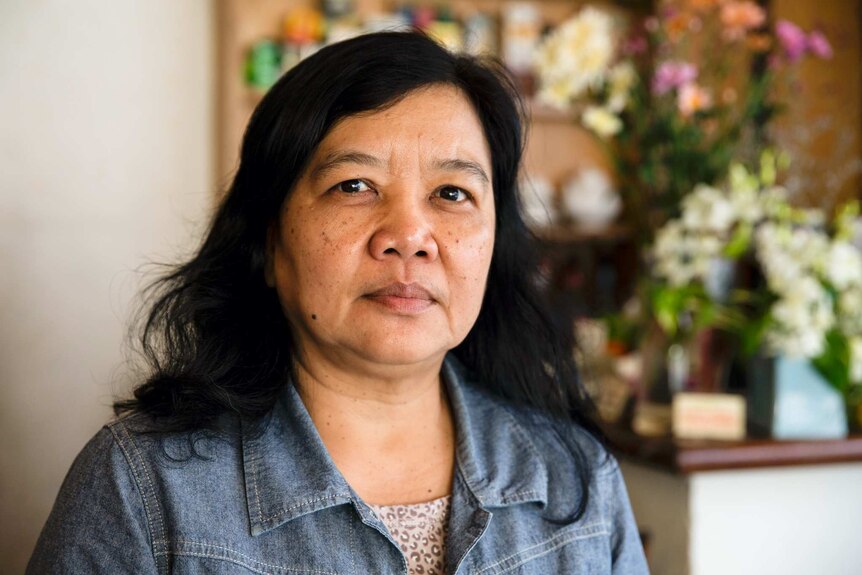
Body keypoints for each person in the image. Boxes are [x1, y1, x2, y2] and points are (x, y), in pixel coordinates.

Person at [28, 31, 648, 574]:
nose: (409, 235)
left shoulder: (579, 480)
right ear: (269, 241)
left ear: (494, 244)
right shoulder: (144, 490)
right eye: (354, 185)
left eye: (452, 193)